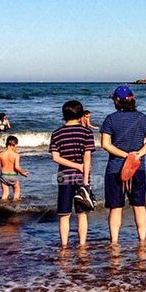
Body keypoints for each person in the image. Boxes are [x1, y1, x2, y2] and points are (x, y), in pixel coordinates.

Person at [99, 86, 146, 244]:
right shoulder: (142, 118)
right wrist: (137, 154)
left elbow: (105, 144)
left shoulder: (110, 119)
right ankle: (142, 240)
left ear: (117, 101)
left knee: (116, 207)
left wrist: (126, 155)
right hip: (137, 167)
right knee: (139, 205)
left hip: (115, 169)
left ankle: (114, 242)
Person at [49, 100, 95, 248]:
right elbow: (87, 158)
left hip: (64, 176)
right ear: (81, 114)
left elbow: (56, 158)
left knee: (64, 214)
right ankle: (82, 246)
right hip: (83, 177)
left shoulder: (56, 133)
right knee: (82, 214)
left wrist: (76, 166)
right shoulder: (87, 132)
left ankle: (64, 246)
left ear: (64, 115)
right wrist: (85, 178)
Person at [0, 135, 28, 200]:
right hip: (13, 176)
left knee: (5, 193)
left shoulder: (1, 154)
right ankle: (15, 207)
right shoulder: (16, 155)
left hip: (4, 176)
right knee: (17, 191)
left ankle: (3, 206)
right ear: (14, 144)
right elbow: (17, 167)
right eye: (16, 146)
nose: (16, 147)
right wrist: (23, 173)